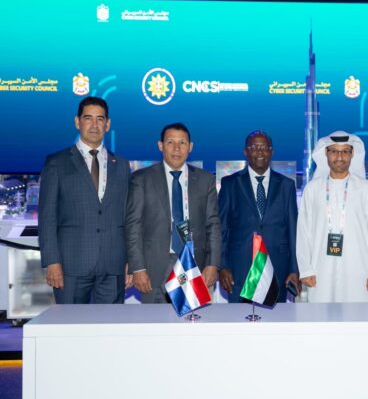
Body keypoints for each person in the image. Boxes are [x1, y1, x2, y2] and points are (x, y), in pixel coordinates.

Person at [39, 96, 131, 304]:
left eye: (100, 119)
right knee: (69, 323)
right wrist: (52, 261)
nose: (94, 124)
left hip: (113, 266)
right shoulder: (57, 163)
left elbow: (127, 217)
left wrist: (130, 261)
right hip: (70, 265)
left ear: (108, 124)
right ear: (77, 121)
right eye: (88, 118)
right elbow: (47, 217)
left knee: (111, 323)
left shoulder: (121, 165)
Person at [126, 122, 220, 303]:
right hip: (154, 267)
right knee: (155, 320)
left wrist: (213, 264)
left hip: (194, 263)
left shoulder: (205, 180)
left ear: (190, 147)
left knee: (192, 320)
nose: (177, 148)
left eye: (182, 143)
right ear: (160, 145)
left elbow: (213, 224)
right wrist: (138, 268)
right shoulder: (142, 179)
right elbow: (133, 225)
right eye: (170, 142)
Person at [296, 131, 368, 302]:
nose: (340, 157)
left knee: (358, 314)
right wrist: (305, 269)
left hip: (359, 270)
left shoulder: (366, 189)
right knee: (321, 315)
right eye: (334, 151)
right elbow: (304, 231)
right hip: (320, 270)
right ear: (326, 153)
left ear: (352, 154)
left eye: (345, 151)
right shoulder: (312, 189)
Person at [218, 130, 299, 303]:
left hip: (277, 266)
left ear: (272, 151)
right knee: (240, 317)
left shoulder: (286, 185)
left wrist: (294, 269)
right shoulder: (230, 184)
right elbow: (222, 229)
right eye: (254, 147)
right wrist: (223, 266)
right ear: (245, 152)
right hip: (240, 267)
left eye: (264, 147)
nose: (260, 152)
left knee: (274, 318)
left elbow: (293, 230)